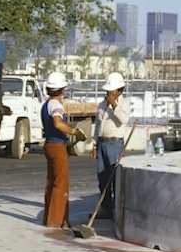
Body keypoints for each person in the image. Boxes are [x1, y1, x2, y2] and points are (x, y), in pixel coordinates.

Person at [41, 72, 86, 228]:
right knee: (61, 184)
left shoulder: (46, 104)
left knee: (52, 182)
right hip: (57, 145)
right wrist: (74, 132)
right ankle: (57, 221)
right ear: (62, 89)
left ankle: (49, 218)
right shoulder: (56, 105)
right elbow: (58, 124)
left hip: (49, 144)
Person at [90, 72, 130, 218]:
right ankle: (106, 208)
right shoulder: (102, 105)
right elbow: (98, 125)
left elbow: (123, 120)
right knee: (102, 178)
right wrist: (94, 144)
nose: (108, 93)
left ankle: (117, 210)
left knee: (115, 179)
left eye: (111, 91)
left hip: (115, 144)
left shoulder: (124, 104)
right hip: (102, 143)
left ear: (119, 90)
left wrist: (114, 105)